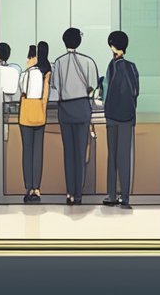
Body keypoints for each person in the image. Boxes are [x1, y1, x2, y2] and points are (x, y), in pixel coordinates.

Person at [51, 26, 99, 205]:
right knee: (80, 153)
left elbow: (56, 86)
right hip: (82, 110)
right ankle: (79, 193)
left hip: (65, 111)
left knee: (68, 153)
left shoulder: (59, 62)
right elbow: (92, 87)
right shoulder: (88, 62)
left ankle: (69, 193)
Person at [102, 30, 140, 209]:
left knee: (113, 157)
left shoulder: (112, 66)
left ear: (112, 46)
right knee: (124, 157)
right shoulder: (132, 66)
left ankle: (111, 195)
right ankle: (125, 197)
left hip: (111, 117)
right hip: (127, 117)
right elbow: (136, 92)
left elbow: (105, 90)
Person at [17, 42, 51, 203]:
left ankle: (28, 188)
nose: (27, 59)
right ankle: (37, 189)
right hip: (40, 113)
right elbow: (45, 94)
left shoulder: (27, 74)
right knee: (38, 152)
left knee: (27, 152)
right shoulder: (46, 72)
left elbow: (22, 90)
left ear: (33, 57)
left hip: (26, 115)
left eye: (29, 56)